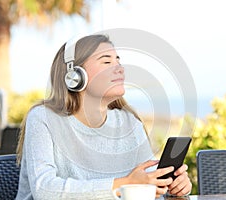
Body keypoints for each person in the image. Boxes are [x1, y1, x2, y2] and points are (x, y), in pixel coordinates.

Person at [15, 34, 192, 199]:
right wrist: (125, 184)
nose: (119, 68)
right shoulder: (43, 118)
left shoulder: (130, 122)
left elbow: (147, 186)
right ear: (74, 76)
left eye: (118, 61)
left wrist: (169, 187)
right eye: (106, 62)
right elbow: (44, 190)